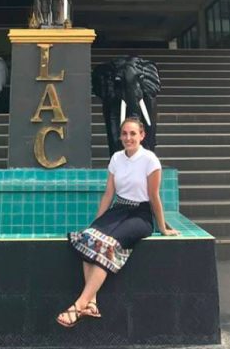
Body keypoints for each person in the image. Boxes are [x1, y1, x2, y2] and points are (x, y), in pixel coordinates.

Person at [56, 117, 180, 328]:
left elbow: (154, 196)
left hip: (139, 215)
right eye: (124, 133)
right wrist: (95, 223)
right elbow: (108, 194)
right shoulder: (116, 158)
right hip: (118, 209)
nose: (128, 138)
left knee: (107, 245)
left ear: (142, 135)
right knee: (88, 237)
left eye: (133, 133)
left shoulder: (150, 160)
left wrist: (162, 227)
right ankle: (92, 302)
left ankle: (79, 305)